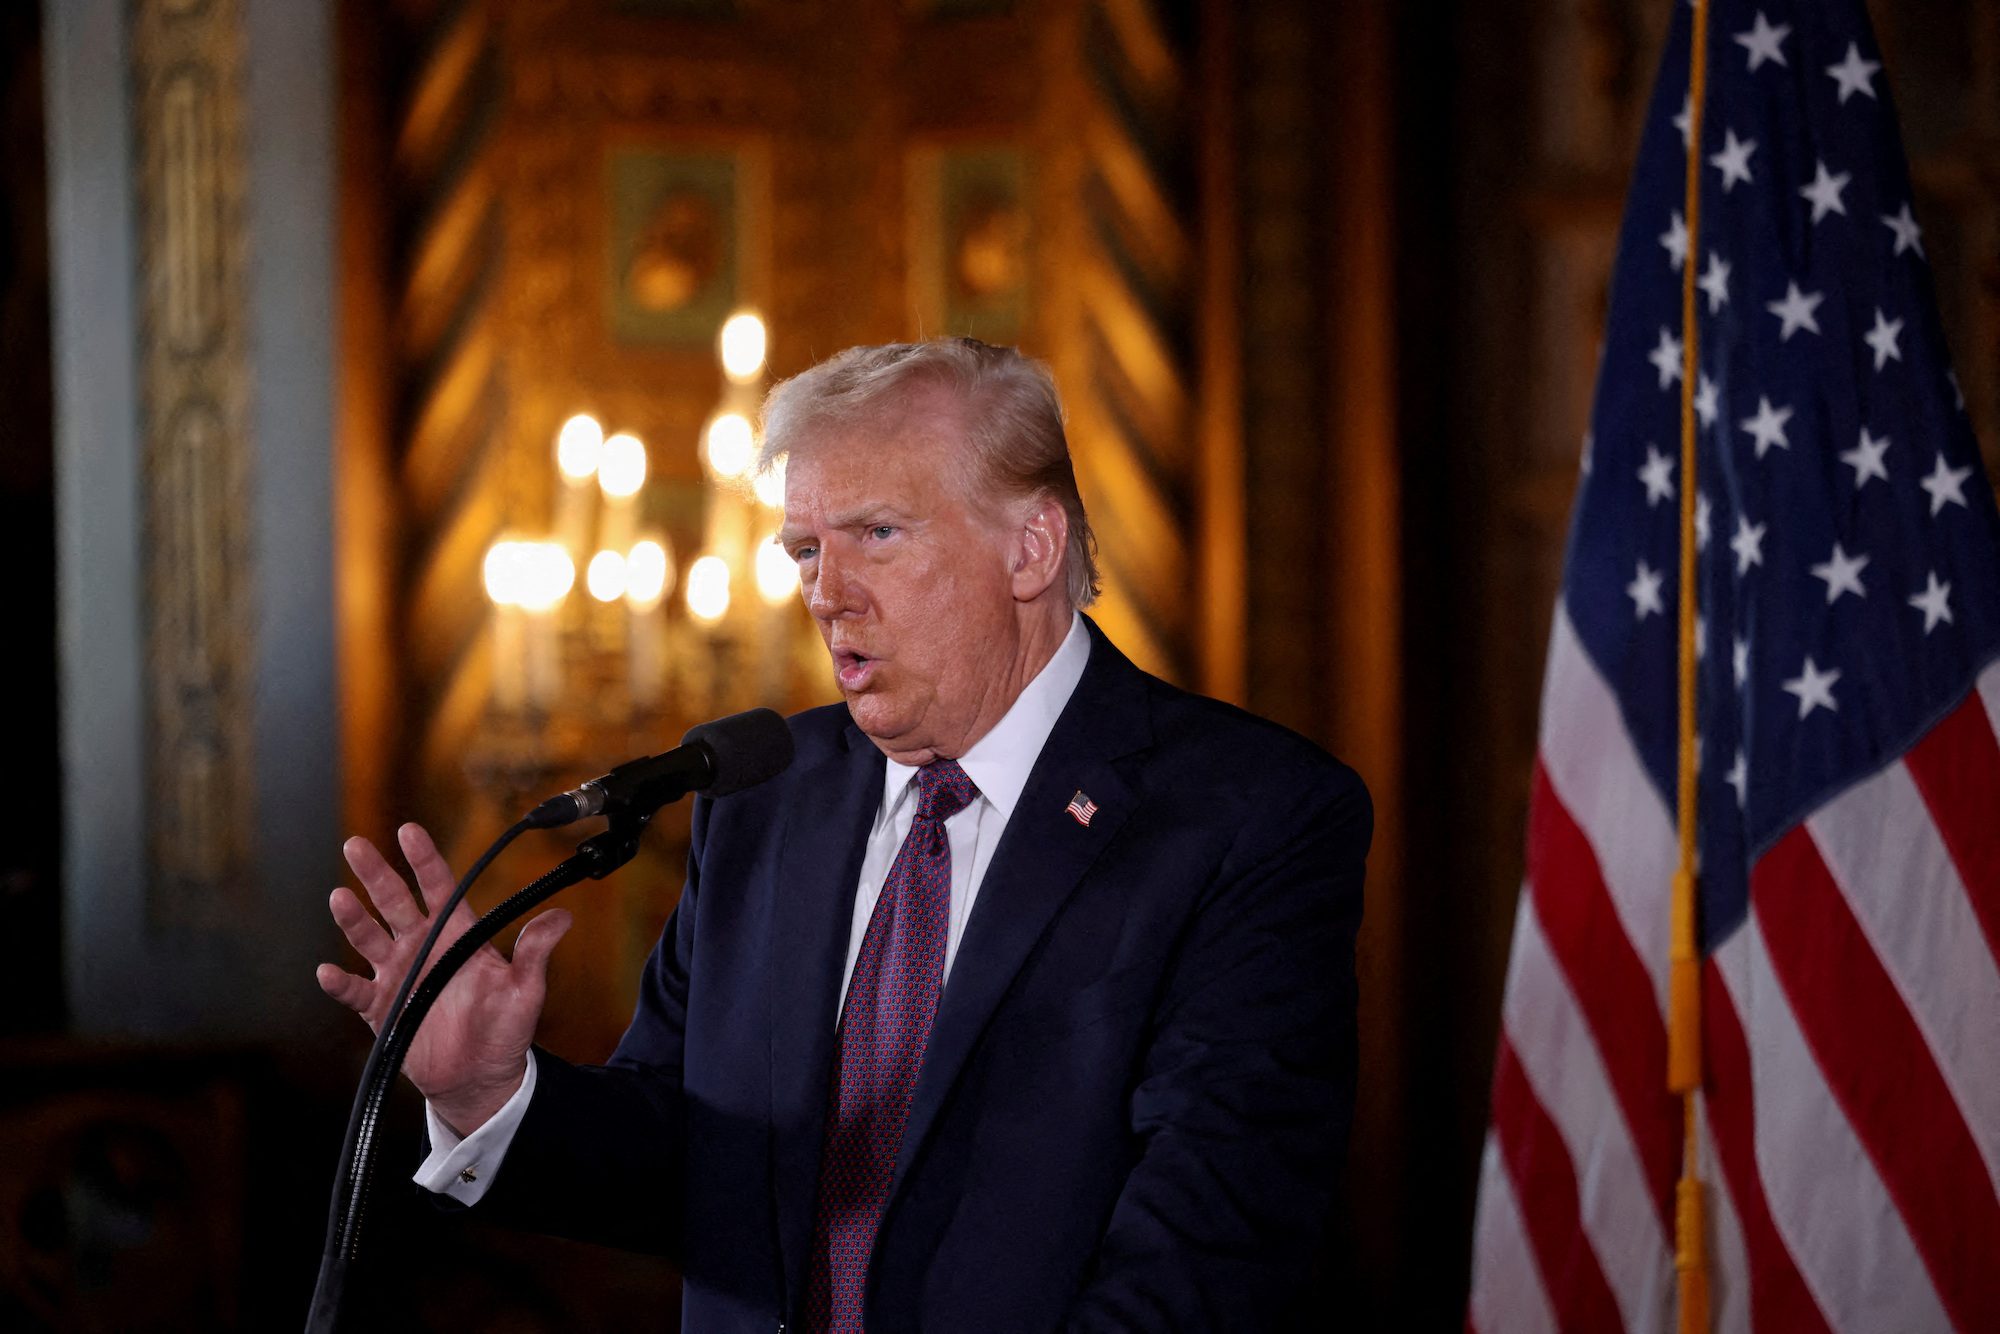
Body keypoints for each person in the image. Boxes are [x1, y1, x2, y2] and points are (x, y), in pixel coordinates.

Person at [318, 338, 1371, 1333]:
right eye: (805, 548)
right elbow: (686, 1167)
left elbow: (1209, 1246)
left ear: (1031, 547)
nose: (826, 592)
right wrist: (486, 1090)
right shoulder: (764, 792)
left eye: (876, 534)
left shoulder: (1246, 814)